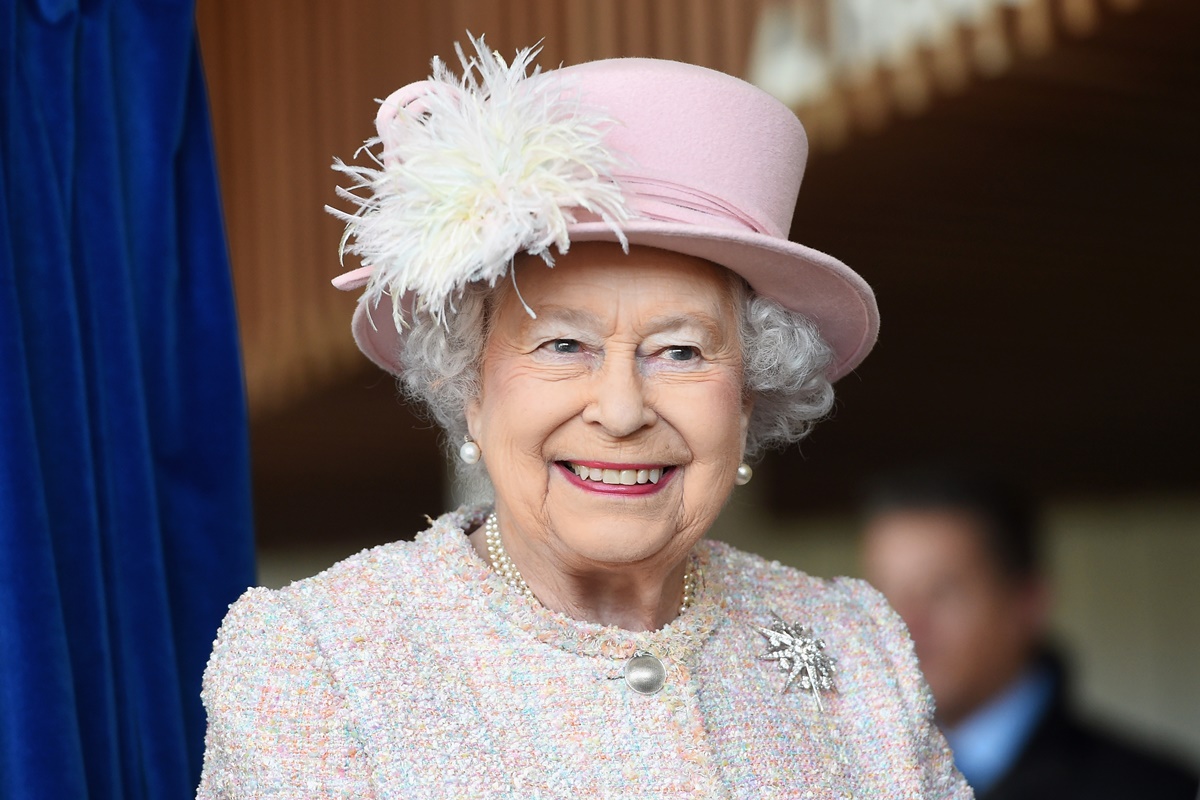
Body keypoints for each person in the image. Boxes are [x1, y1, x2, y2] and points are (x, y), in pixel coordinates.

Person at [196, 37, 971, 798]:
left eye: (680, 352)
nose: (623, 409)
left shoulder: (855, 644)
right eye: (564, 344)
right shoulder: (317, 658)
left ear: (749, 395)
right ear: (469, 382)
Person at [860, 466, 1199, 800]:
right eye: (884, 595)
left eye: (941, 592)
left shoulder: (1155, 790)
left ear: (1027, 603)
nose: (903, 624)